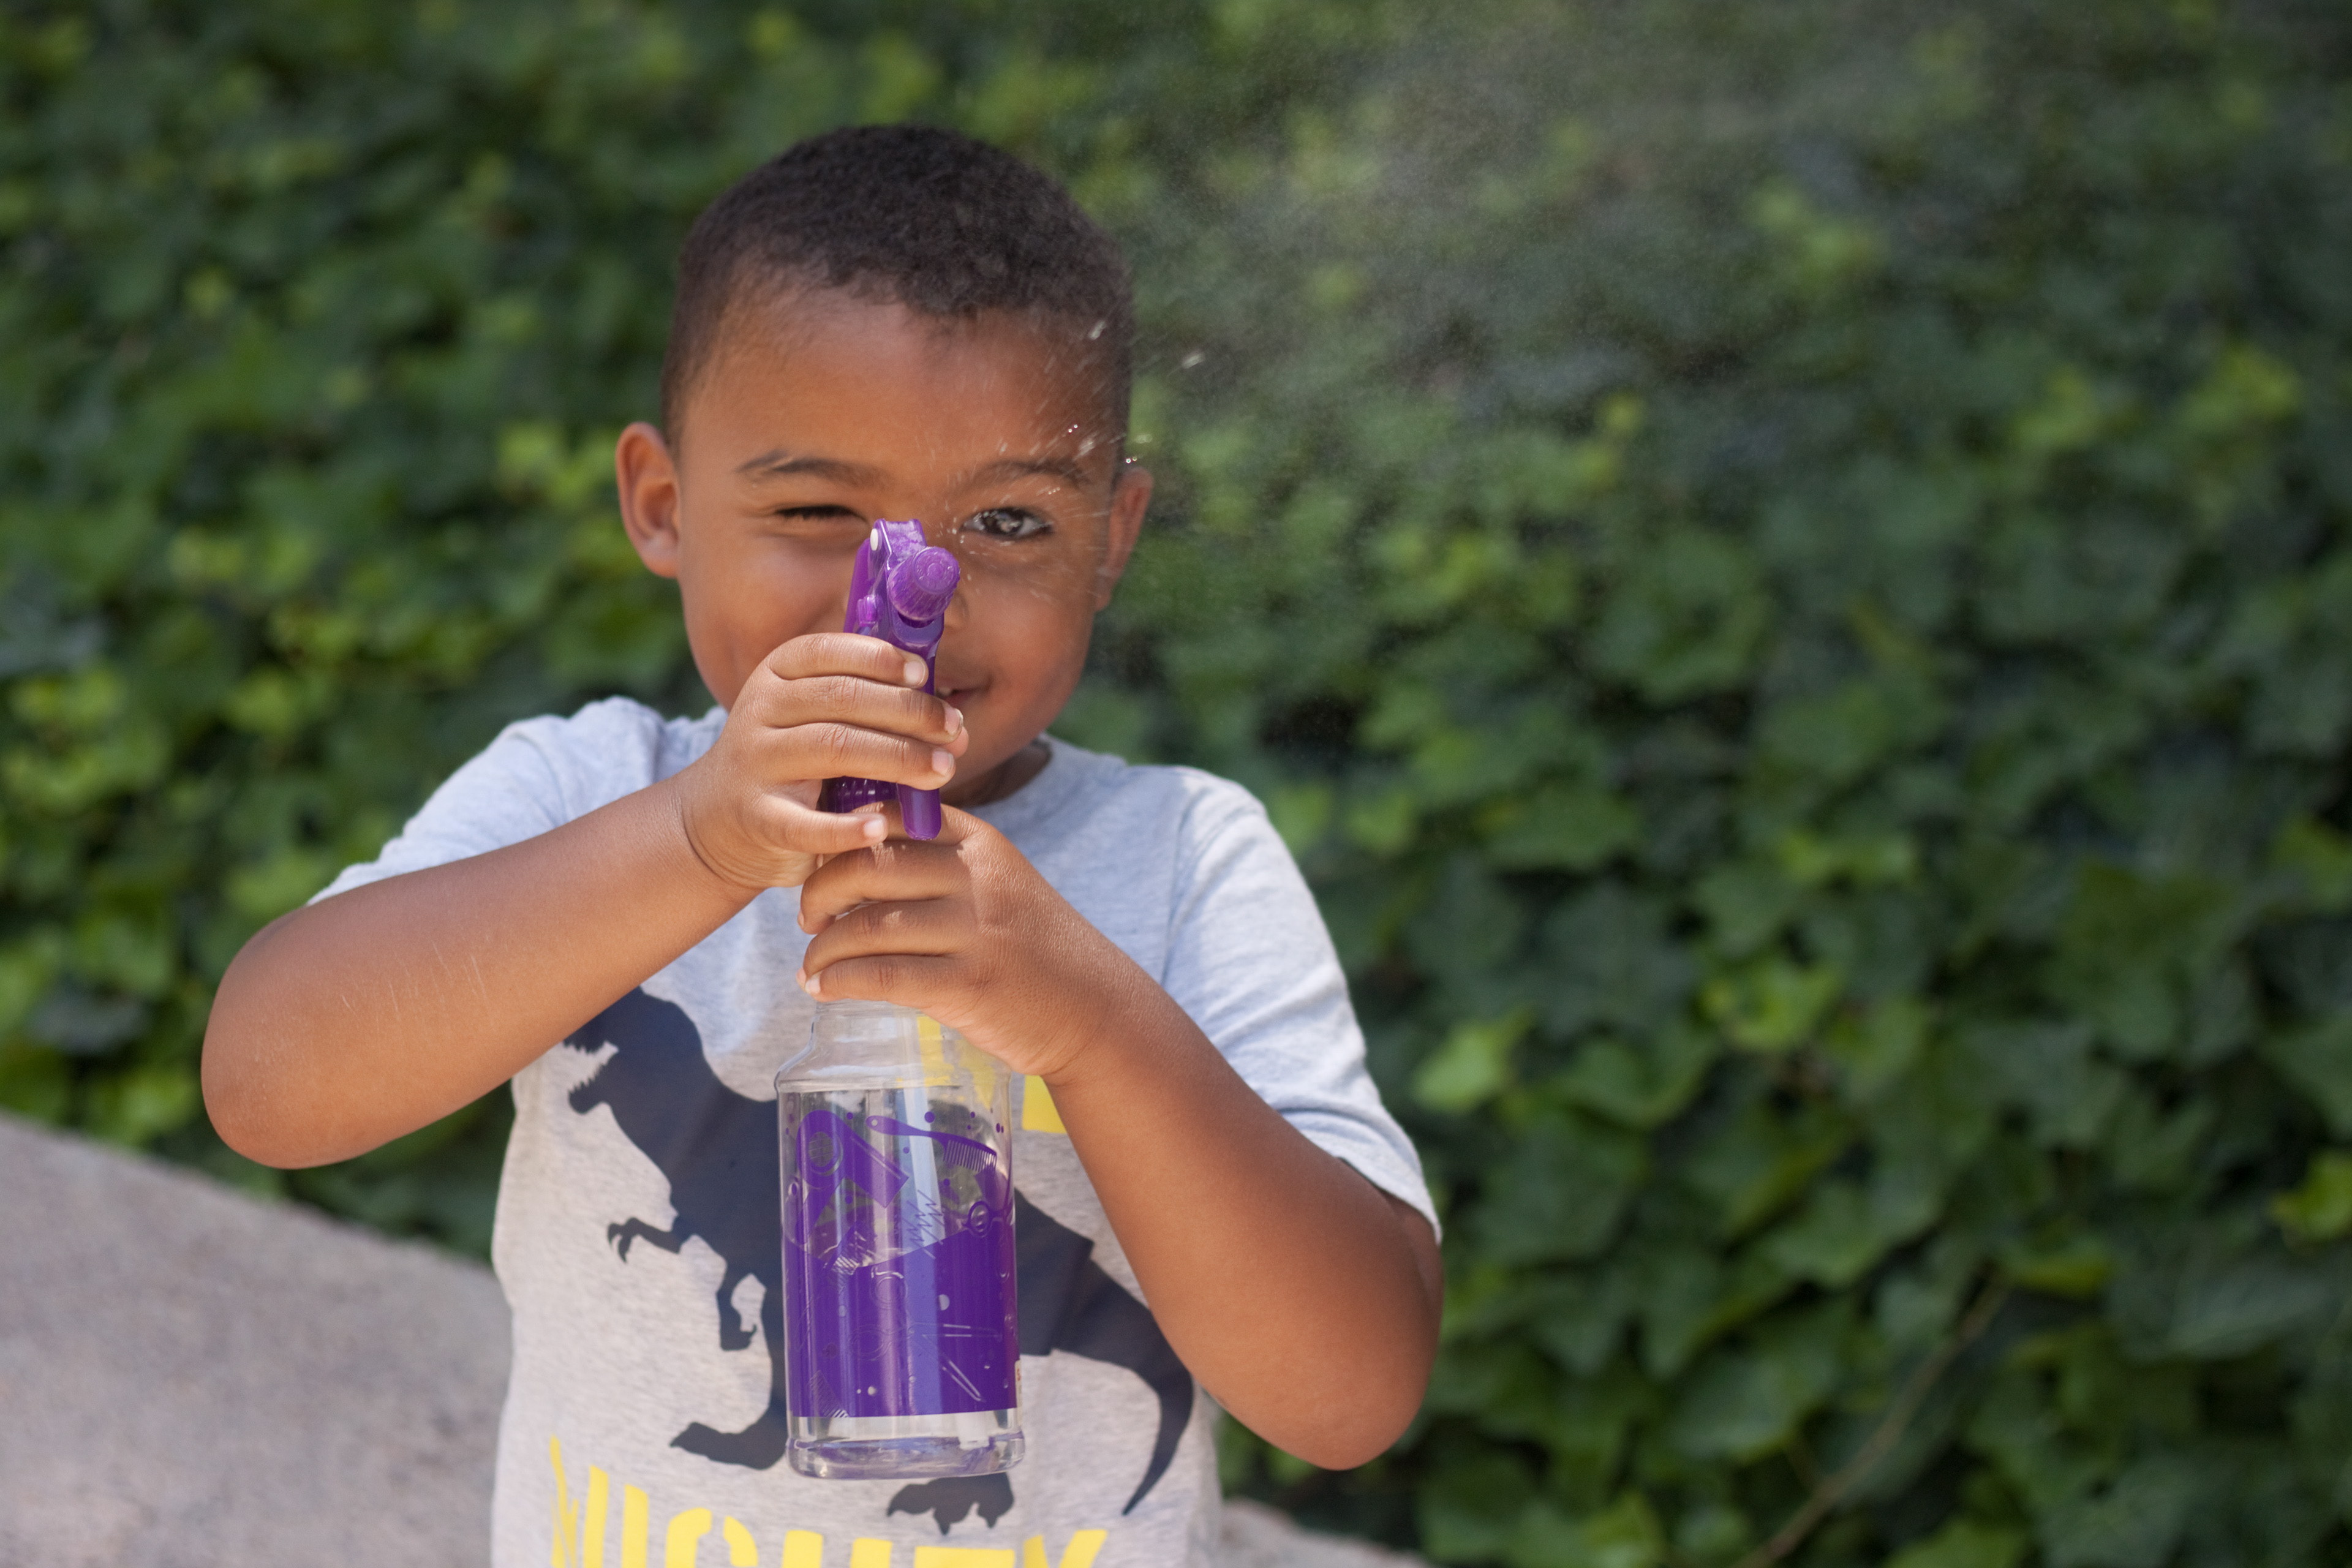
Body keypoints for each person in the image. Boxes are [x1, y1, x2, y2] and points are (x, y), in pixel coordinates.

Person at [202, 124, 1440, 1567]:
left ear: (1110, 537)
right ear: (662, 506)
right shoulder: (589, 789)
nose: (903, 593)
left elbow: (1351, 1392)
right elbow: (267, 1083)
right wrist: (694, 841)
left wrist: (1090, 1019)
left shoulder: (1181, 861)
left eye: (1007, 519)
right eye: (815, 510)